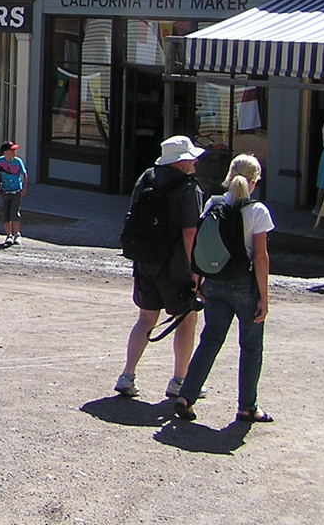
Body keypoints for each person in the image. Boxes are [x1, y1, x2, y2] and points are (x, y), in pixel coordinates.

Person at [174, 154, 275, 423]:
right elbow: (260, 257)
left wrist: (197, 281)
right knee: (251, 346)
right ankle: (247, 407)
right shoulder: (258, 212)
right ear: (254, 181)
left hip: (215, 281)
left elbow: (202, 244)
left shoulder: (213, 203)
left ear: (229, 176)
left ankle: (186, 396)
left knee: (210, 340)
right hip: (244, 284)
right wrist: (264, 297)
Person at [114, 135, 204, 400]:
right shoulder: (189, 188)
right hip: (176, 266)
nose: (195, 162)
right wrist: (196, 273)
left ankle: (127, 375)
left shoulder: (147, 177)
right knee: (186, 319)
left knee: (145, 318)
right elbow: (190, 232)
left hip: (145, 261)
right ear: (182, 162)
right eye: (191, 158)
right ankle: (180, 381)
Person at [0, 141, 28, 246]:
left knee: (15, 212)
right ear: (5, 152)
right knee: (5, 213)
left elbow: (24, 174)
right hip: (5, 191)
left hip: (16, 191)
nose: (14, 152)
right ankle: (9, 235)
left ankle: (17, 233)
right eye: (11, 150)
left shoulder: (18, 161)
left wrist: (24, 188)